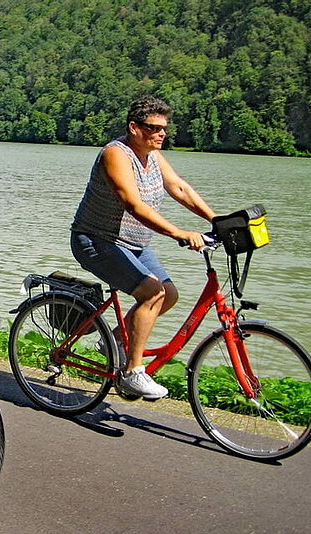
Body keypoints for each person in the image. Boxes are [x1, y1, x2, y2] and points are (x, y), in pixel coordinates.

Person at [70, 96, 215, 401]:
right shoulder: (115, 154)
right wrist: (179, 233)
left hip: (134, 244)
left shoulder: (152, 155)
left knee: (169, 295)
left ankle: (113, 341)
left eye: (165, 128)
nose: (162, 133)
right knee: (153, 293)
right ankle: (133, 373)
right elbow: (133, 205)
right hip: (96, 240)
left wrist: (217, 220)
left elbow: (179, 188)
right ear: (134, 128)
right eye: (154, 128)